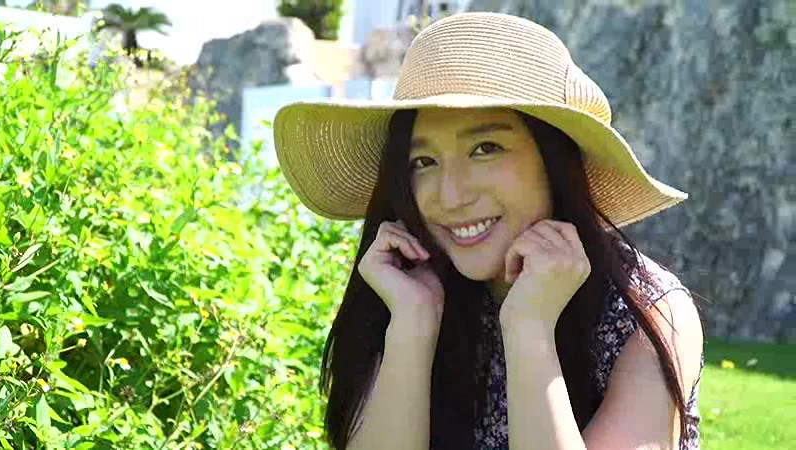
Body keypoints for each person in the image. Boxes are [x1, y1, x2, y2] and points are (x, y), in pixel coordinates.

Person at [273, 12, 704, 450]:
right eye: (424, 161)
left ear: (554, 160)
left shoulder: (648, 312)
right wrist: (413, 323)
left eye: (485, 149)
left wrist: (529, 327)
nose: (451, 195)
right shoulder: (411, 287)